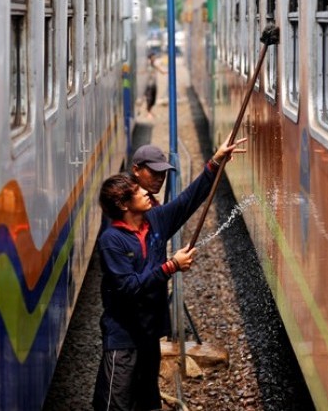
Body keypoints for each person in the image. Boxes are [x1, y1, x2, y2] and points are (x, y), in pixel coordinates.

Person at [92, 134, 248, 411]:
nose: (149, 192)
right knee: (114, 404)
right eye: (141, 192)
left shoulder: (155, 220)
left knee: (148, 400)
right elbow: (128, 287)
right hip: (123, 336)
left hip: (149, 334)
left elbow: (189, 200)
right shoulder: (111, 241)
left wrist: (215, 162)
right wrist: (171, 266)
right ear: (125, 205)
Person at [143, 53, 165, 119]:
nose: (154, 58)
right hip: (149, 85)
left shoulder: (154, 65)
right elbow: (142, 72)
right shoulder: (147, 66)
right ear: (150, 58)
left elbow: (161, 70)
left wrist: (167, 72)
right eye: (153, 57)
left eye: (154, 57)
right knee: (149, 99)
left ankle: (150, 112)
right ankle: (148, 113)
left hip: (154, 84)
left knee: (153, 100)